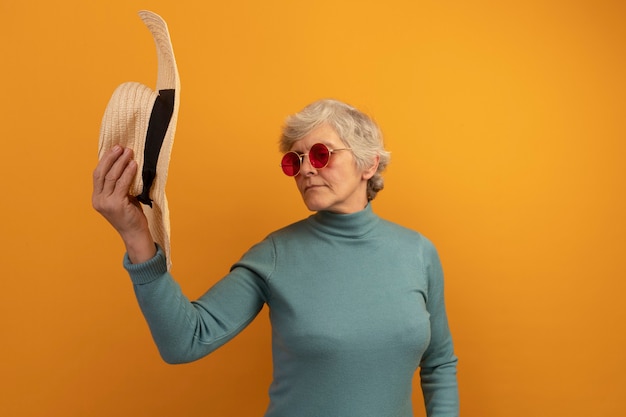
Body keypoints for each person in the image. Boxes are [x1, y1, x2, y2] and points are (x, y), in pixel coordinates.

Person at [92, 98, 459, 417]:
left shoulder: (418, 253)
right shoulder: (275, 254)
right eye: (295, 160)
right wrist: (136, 235)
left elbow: (439, 364)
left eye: (320, 154)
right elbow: (185, 340)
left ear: (369, 165)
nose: (306, 169)